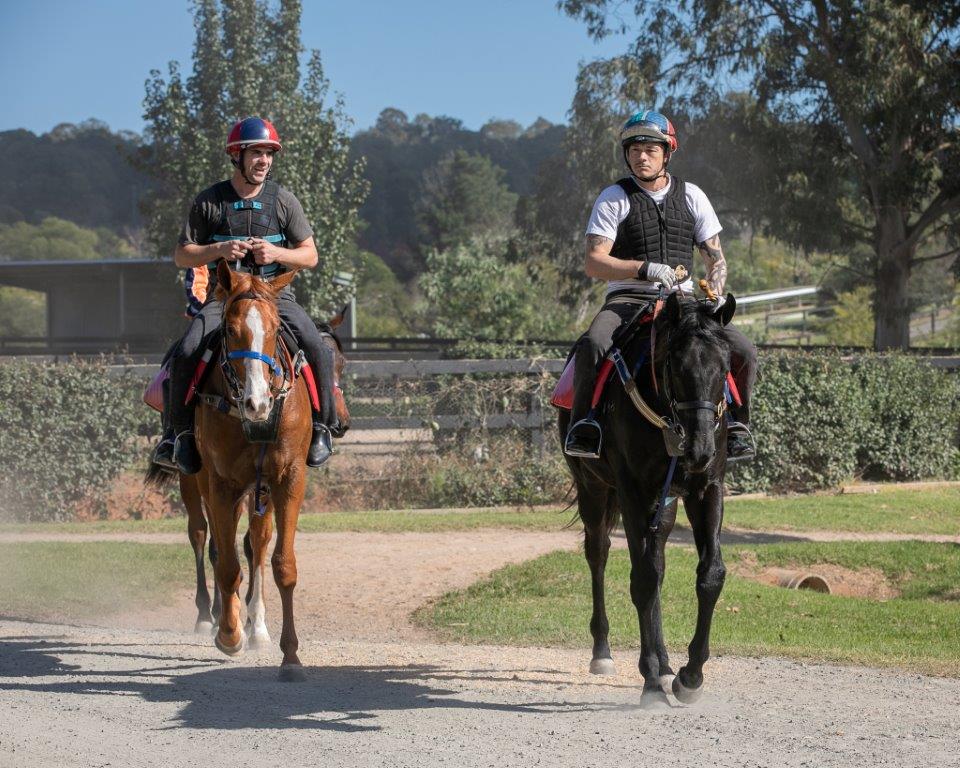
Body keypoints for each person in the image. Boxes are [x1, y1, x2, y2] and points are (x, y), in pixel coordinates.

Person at [563, 109, 757, 461]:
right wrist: (645, 269)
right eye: (634, 149)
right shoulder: (613, 197)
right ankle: (585, 426)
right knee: (592, 344)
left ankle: (737, 428)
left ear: (668, 152)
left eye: (650, 149)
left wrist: (714, 291)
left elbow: (717, 258)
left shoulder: (693, 196)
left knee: (744, 349)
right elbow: (594, 261)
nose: (641, 156)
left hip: (683, 303)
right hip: (627, 299)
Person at [152, 116, 341, 474]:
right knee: (188, 349)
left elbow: (310, 255)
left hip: (274, 298)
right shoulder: (209, 201)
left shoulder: (284, 201)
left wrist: (277, 255)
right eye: (257, 153)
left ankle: (322, 428)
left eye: (269, 154)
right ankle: (177, 436)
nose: (264, 161)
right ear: (237, 156)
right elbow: (182, 255)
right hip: (225, 301)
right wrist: (220, 249)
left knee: (317, 345)